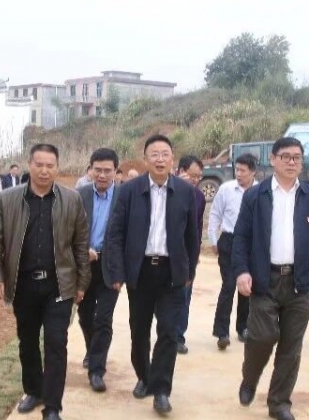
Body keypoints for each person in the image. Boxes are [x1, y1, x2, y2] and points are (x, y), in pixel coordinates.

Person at [0, 143, 90, 420]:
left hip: (59, 286)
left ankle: (52, 407)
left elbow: (81, 244)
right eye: (39, 164)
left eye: (50, 165)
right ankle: (33, 390)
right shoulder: (7, 200)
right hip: (24, 286)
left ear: (57, 167)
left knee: (56, 343)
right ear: (29, 165)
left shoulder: (72, 200)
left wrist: (82, 282)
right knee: (28, 341)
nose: (44, 170)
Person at [233, 137, 309, 420]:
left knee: (291, 347)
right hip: (264, 280)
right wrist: (242, 271)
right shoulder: (256, 196)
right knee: (262, 337)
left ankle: (279, 403)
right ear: (273, 160)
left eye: (297, 157)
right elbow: (241, 237)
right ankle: (250, 378)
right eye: (286, 156)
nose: (292, 162)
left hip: (299, 283)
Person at [104, 134, 200, 415]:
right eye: (154, 154)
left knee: (169, 332)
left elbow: (192, 236)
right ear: (145, 160)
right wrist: (118, 271)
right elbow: (115, 233)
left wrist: (190, 270)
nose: (160, 159)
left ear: (172, 159)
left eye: (165, 154)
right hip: (141, 272)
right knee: (139, 331)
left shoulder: (186, 192)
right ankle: (144, 376)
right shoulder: (129, 190)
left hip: (172, 273)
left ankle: (161, 390)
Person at [76, 148, 121, 392]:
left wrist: (121, 272)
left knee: (103, 318)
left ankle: (96, 370)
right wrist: (83, 251)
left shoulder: (124, 196)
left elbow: (130, 236)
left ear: (115, 171)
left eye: (107, 170)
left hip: (110, 268)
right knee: (85, 316)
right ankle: (92, 350)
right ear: (90, 169)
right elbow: (69, 230)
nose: (102, 175)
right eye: (98, 170)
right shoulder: (79, 195)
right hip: (84, 266)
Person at [208, 153, 258, 350]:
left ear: (253, 172)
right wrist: (213, 240)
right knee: (229, 285)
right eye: (237, 169)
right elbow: (215, 215)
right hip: (229, 241)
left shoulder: (261, 191)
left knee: (246, 287)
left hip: (251, 244)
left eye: (243, 171)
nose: (238, 174)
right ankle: (222, 332)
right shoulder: (226, 189)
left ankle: (243, 327)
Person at [174, 155, 206, 354]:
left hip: (186, 256)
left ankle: (178, 336)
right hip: (165, 254)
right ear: (180, 171)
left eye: (198, 177)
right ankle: (166, 332)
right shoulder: (166, 190)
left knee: (184, 297)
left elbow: (198, 228)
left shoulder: (199, 197)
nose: (195, 180)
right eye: (192, 175)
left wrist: (195, 254)